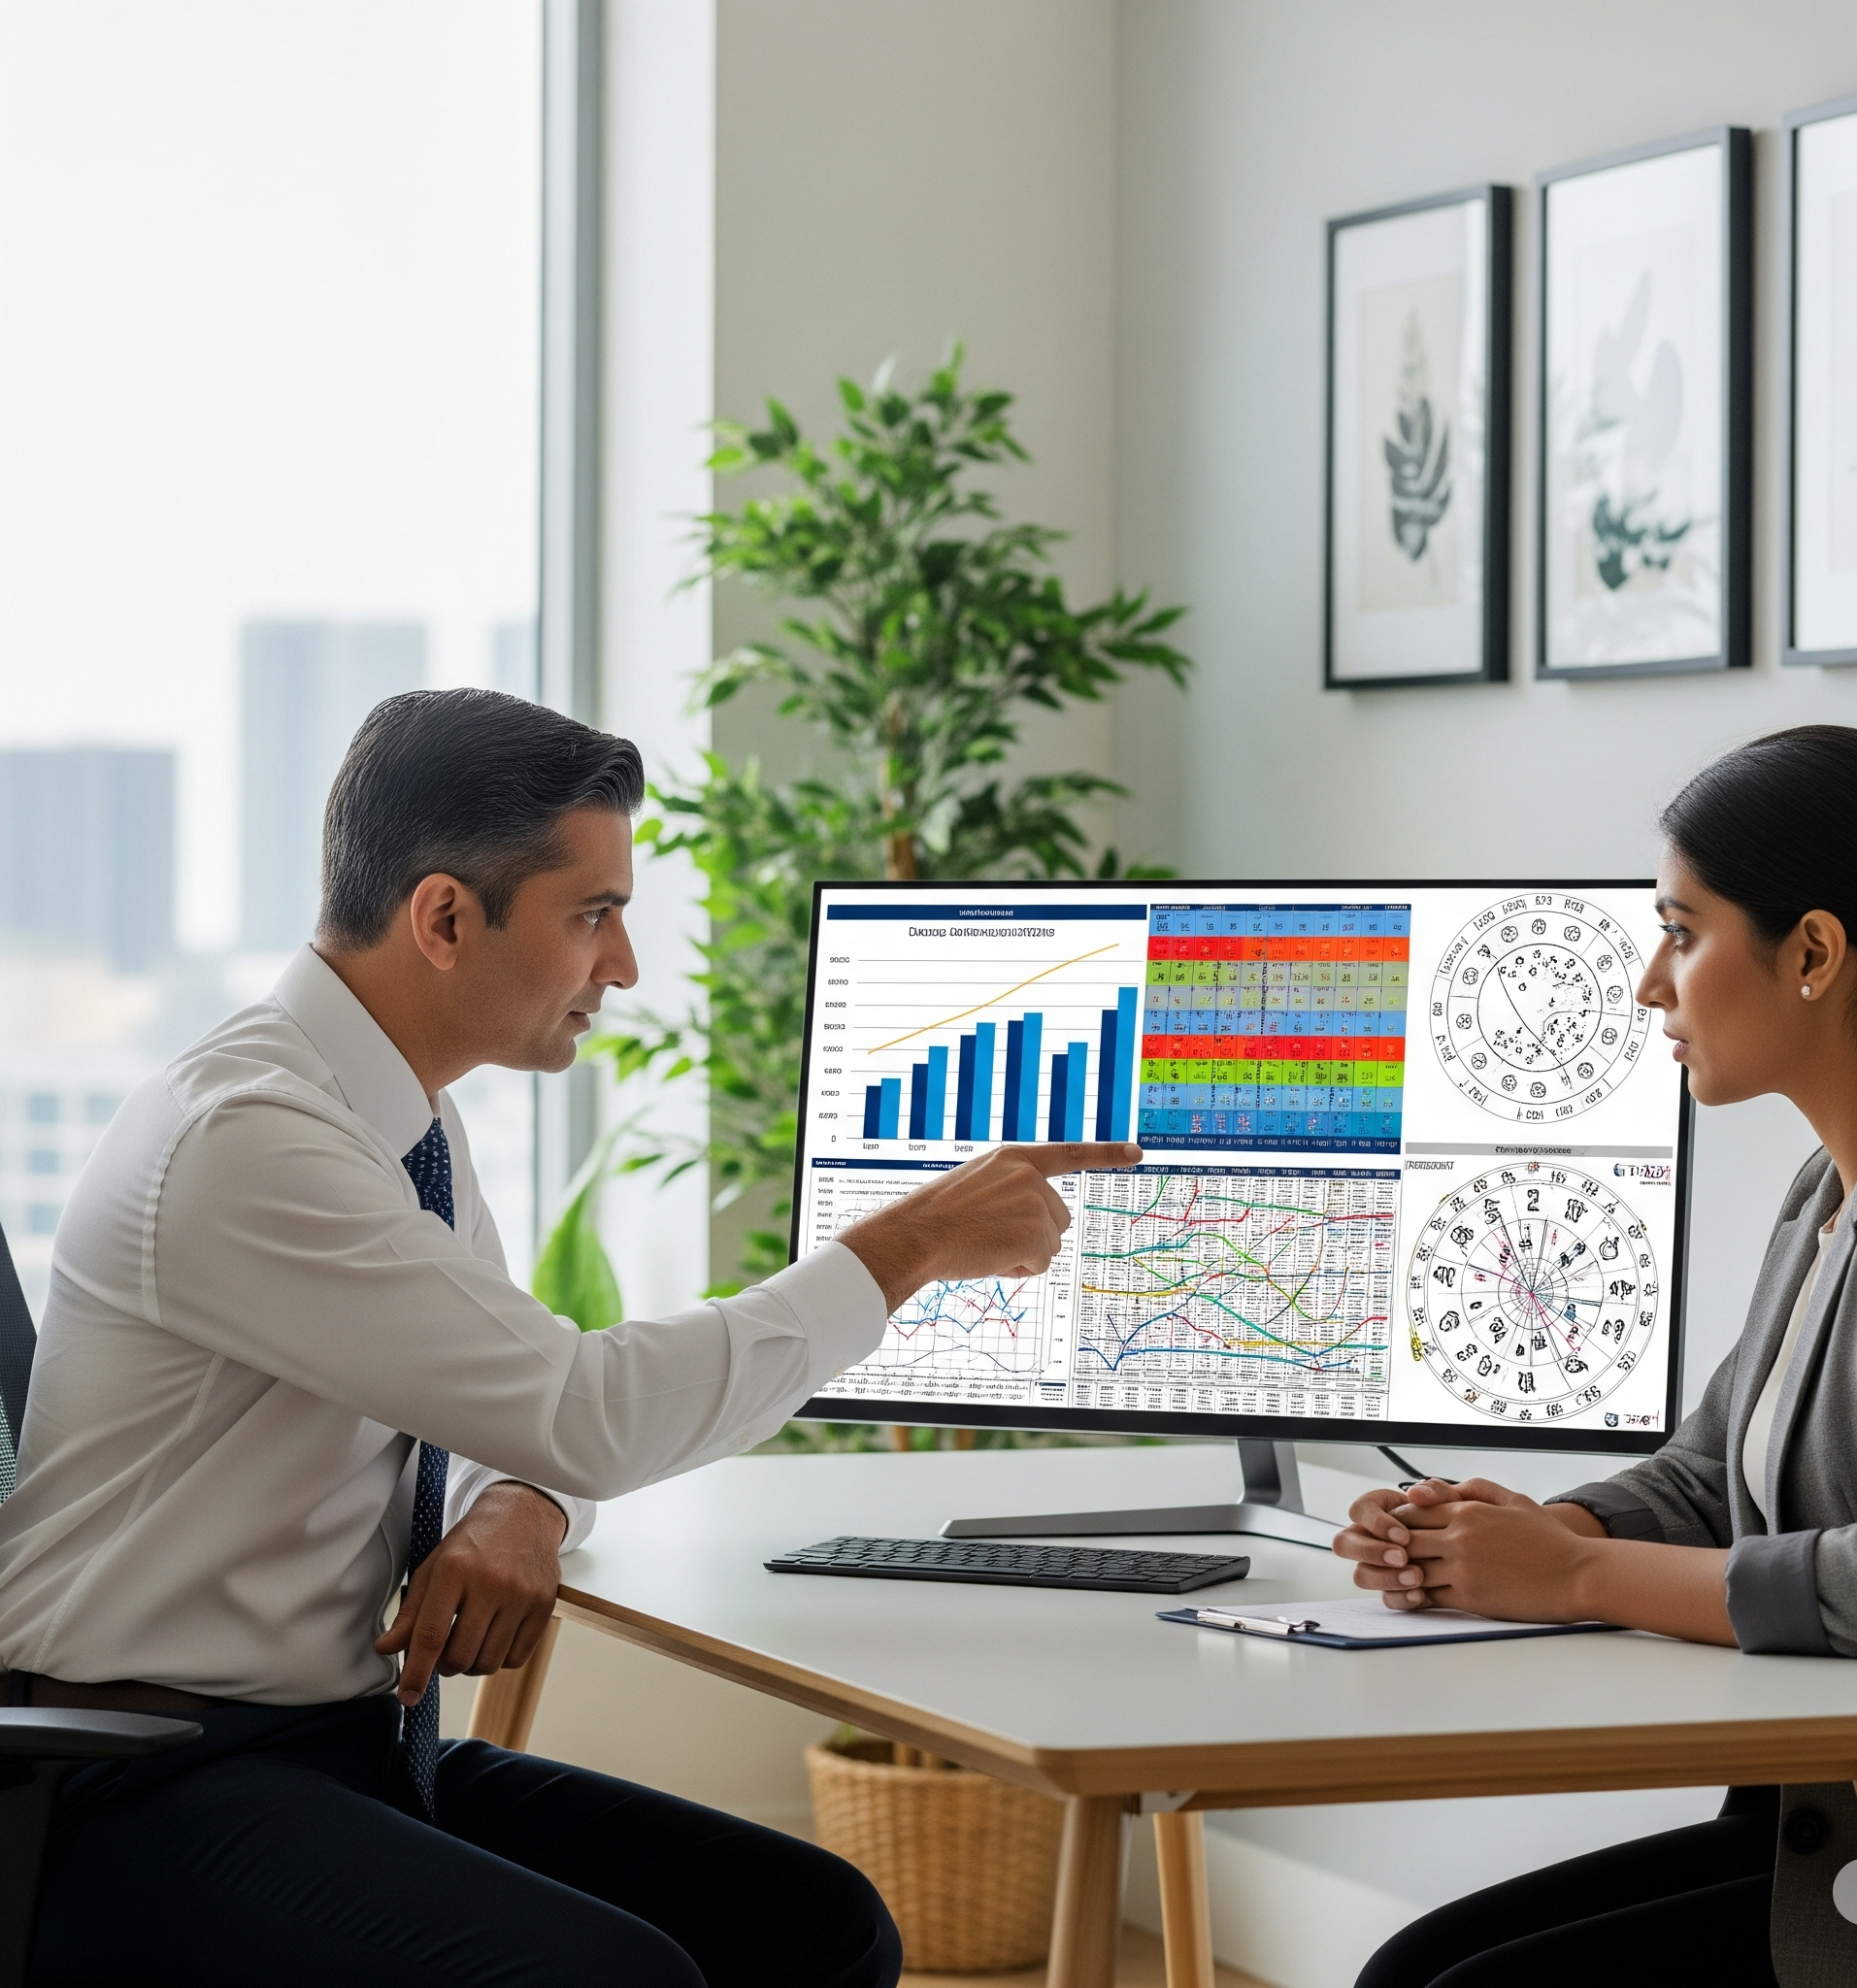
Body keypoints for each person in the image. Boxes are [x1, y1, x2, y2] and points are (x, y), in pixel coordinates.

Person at [0, 688, 1140, 1987]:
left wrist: (522, 1503)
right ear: (443, 918)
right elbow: (585, 1406)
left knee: (815, 1926)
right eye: (592, 914)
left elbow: (505, 1406)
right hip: (137, 1784)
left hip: (336, 1746)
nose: (625, 965)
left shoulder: (397, 1123)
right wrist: (910, 1245)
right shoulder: (251, 1140)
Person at [1338, 725, 1857, 1988]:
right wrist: (1499, 1533)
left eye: (1681, 932)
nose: (1648, 983)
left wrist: (1577, 1576)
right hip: (1835, 1822)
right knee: (1415, 1969)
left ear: (1811, 954)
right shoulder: (1836, 1186)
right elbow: (1705, 1477)